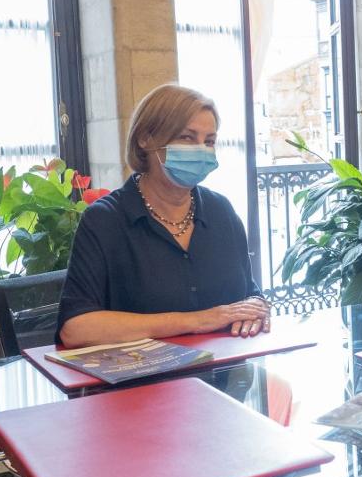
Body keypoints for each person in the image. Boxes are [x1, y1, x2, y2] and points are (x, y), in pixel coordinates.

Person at [57, 84, 270, 347]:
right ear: (145, 138)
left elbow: (249, 293)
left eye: (209, 141)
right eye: (187, 138)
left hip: (228, 377)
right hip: (143, 382)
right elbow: (76, 328)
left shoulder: (221, 211)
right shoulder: (105, 220)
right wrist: (196, 320)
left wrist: (255, 307)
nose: (200, 150)